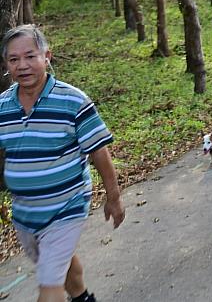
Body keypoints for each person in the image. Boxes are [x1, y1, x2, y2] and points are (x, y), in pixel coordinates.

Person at [0, 25, 124, 302]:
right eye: (14, 59)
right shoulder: (2, 106)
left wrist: (114, 198)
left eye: (30, 56)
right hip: (25, 213)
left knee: (49, 283)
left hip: (66, 206)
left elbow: (99, 153)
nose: (23, 65)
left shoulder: (73, 101)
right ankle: (82, 297)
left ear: (47, 57)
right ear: (7, 65)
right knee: (56, 264)